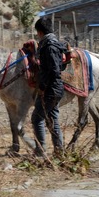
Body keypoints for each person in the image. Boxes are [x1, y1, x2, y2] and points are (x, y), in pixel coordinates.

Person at [31, 17, 68, 158]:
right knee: (52, 119)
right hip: (55, 88)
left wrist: (42, 85)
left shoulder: (49, 46)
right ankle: (59, 152)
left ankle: (40, 152)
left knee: (37, 118)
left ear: (40, 32)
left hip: (51, 88)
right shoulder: (54, 44)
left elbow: (53, 70)